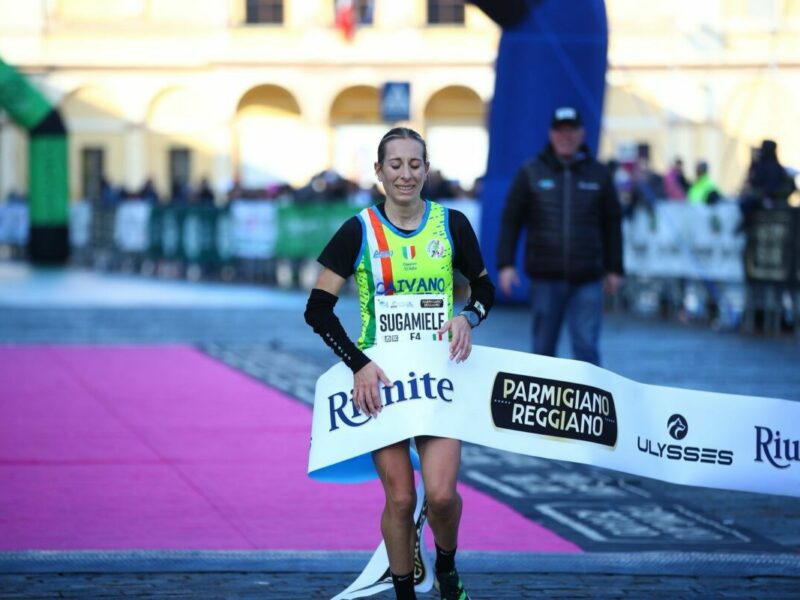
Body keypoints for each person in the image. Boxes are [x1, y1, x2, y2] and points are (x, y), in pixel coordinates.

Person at [304, 127, 494, 600]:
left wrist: (468, 317)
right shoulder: (358, 230)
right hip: (383, 385)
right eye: (396, 165)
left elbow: (485, 289)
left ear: (427, 170)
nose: (405, 174)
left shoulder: (453, 225)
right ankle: (406, 592)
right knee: (402, 497)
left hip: (439, 381)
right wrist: (358, 364)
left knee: (443, 495)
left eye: (415, 165)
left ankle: (446, 566)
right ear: (378, 171)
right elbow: (317, 308)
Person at [496, 106, 623, 366]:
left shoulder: (599, 174)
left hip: (588, 279)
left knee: (586, 349)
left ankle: (589, 406)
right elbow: (511, 221)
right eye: (560, 130)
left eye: (571, 130)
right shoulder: (530, 171)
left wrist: (615, 269)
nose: (565, 136)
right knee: (543, 352)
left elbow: (612, 224)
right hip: (545, 278)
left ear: (582, 134)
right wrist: (505, 265)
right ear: (551, 134)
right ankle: (547, 406)